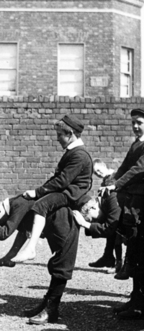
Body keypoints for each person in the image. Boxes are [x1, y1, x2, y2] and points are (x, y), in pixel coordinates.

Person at [0, 193, 87, 325]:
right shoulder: (14, 205)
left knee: (61, 267)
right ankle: (46, 305)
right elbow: (23, 231)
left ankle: (51, 310)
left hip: (64, 223)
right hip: (57, 225)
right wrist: (9, 257)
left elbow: (3, 233)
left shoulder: (17, 204)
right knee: (57, 266)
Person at [12, 114, 92, 262]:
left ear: (70, 134)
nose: (57, 138)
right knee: (37, 201)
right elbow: (56, 179)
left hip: (71, 194)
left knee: (41, 204)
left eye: (60, 135)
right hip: (66, 190)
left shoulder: (79, 155)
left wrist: (37, 192)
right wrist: (40, 191)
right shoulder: (72, 152)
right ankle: (15, 252)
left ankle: (31, 248)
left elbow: (62, 181)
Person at [99, 108, 144, 319]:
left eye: (140, 122)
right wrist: (110, 180)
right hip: (132, 203)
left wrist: (116, 185)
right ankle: (135, 301)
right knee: (133, 249)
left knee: (139, 253)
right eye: (134, 122)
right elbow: (125, 167)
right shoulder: (136, 144)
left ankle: (138, 304)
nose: (136, 126)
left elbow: (137, 169)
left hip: (141, 204)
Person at [86, 159, 123, 273]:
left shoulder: (115, 176)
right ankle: (108, 258)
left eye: (98, 170)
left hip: (120, 209)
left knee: (116, 237)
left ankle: (118, 264)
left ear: (104, 166)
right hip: (112, 210)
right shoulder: (105, 181)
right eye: (95, 173)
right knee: (112, 237)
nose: (98, 173)